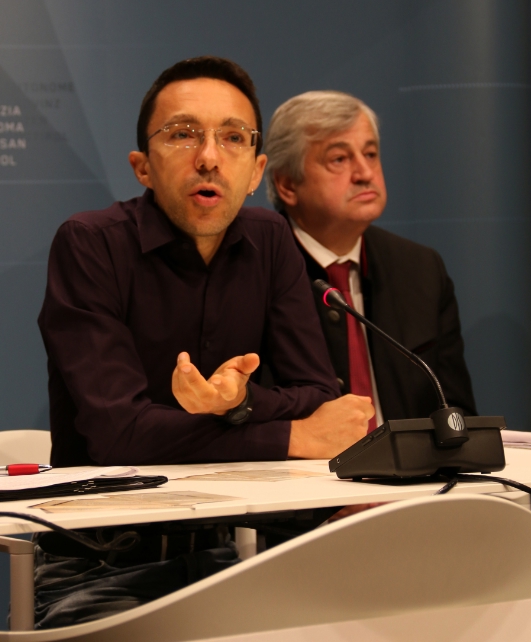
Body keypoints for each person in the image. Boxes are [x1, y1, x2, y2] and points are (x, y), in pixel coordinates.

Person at [35, 58, 374, 629]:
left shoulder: (270, 239)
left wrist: (239, 402)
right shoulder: (90, 245)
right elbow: (120, 435)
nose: (210, 156)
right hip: (104, 563)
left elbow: (317, 392)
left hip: (239, 551)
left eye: (233, 138)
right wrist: (289, 435)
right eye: (182, 134)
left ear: (256, 168)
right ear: (142, 167)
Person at [264, 90, 477, 426]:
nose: (364, 172)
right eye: (339, 159)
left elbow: (457, 414)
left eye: (371, 154)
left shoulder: (420, 269)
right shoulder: (253, 274)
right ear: (288, 184)